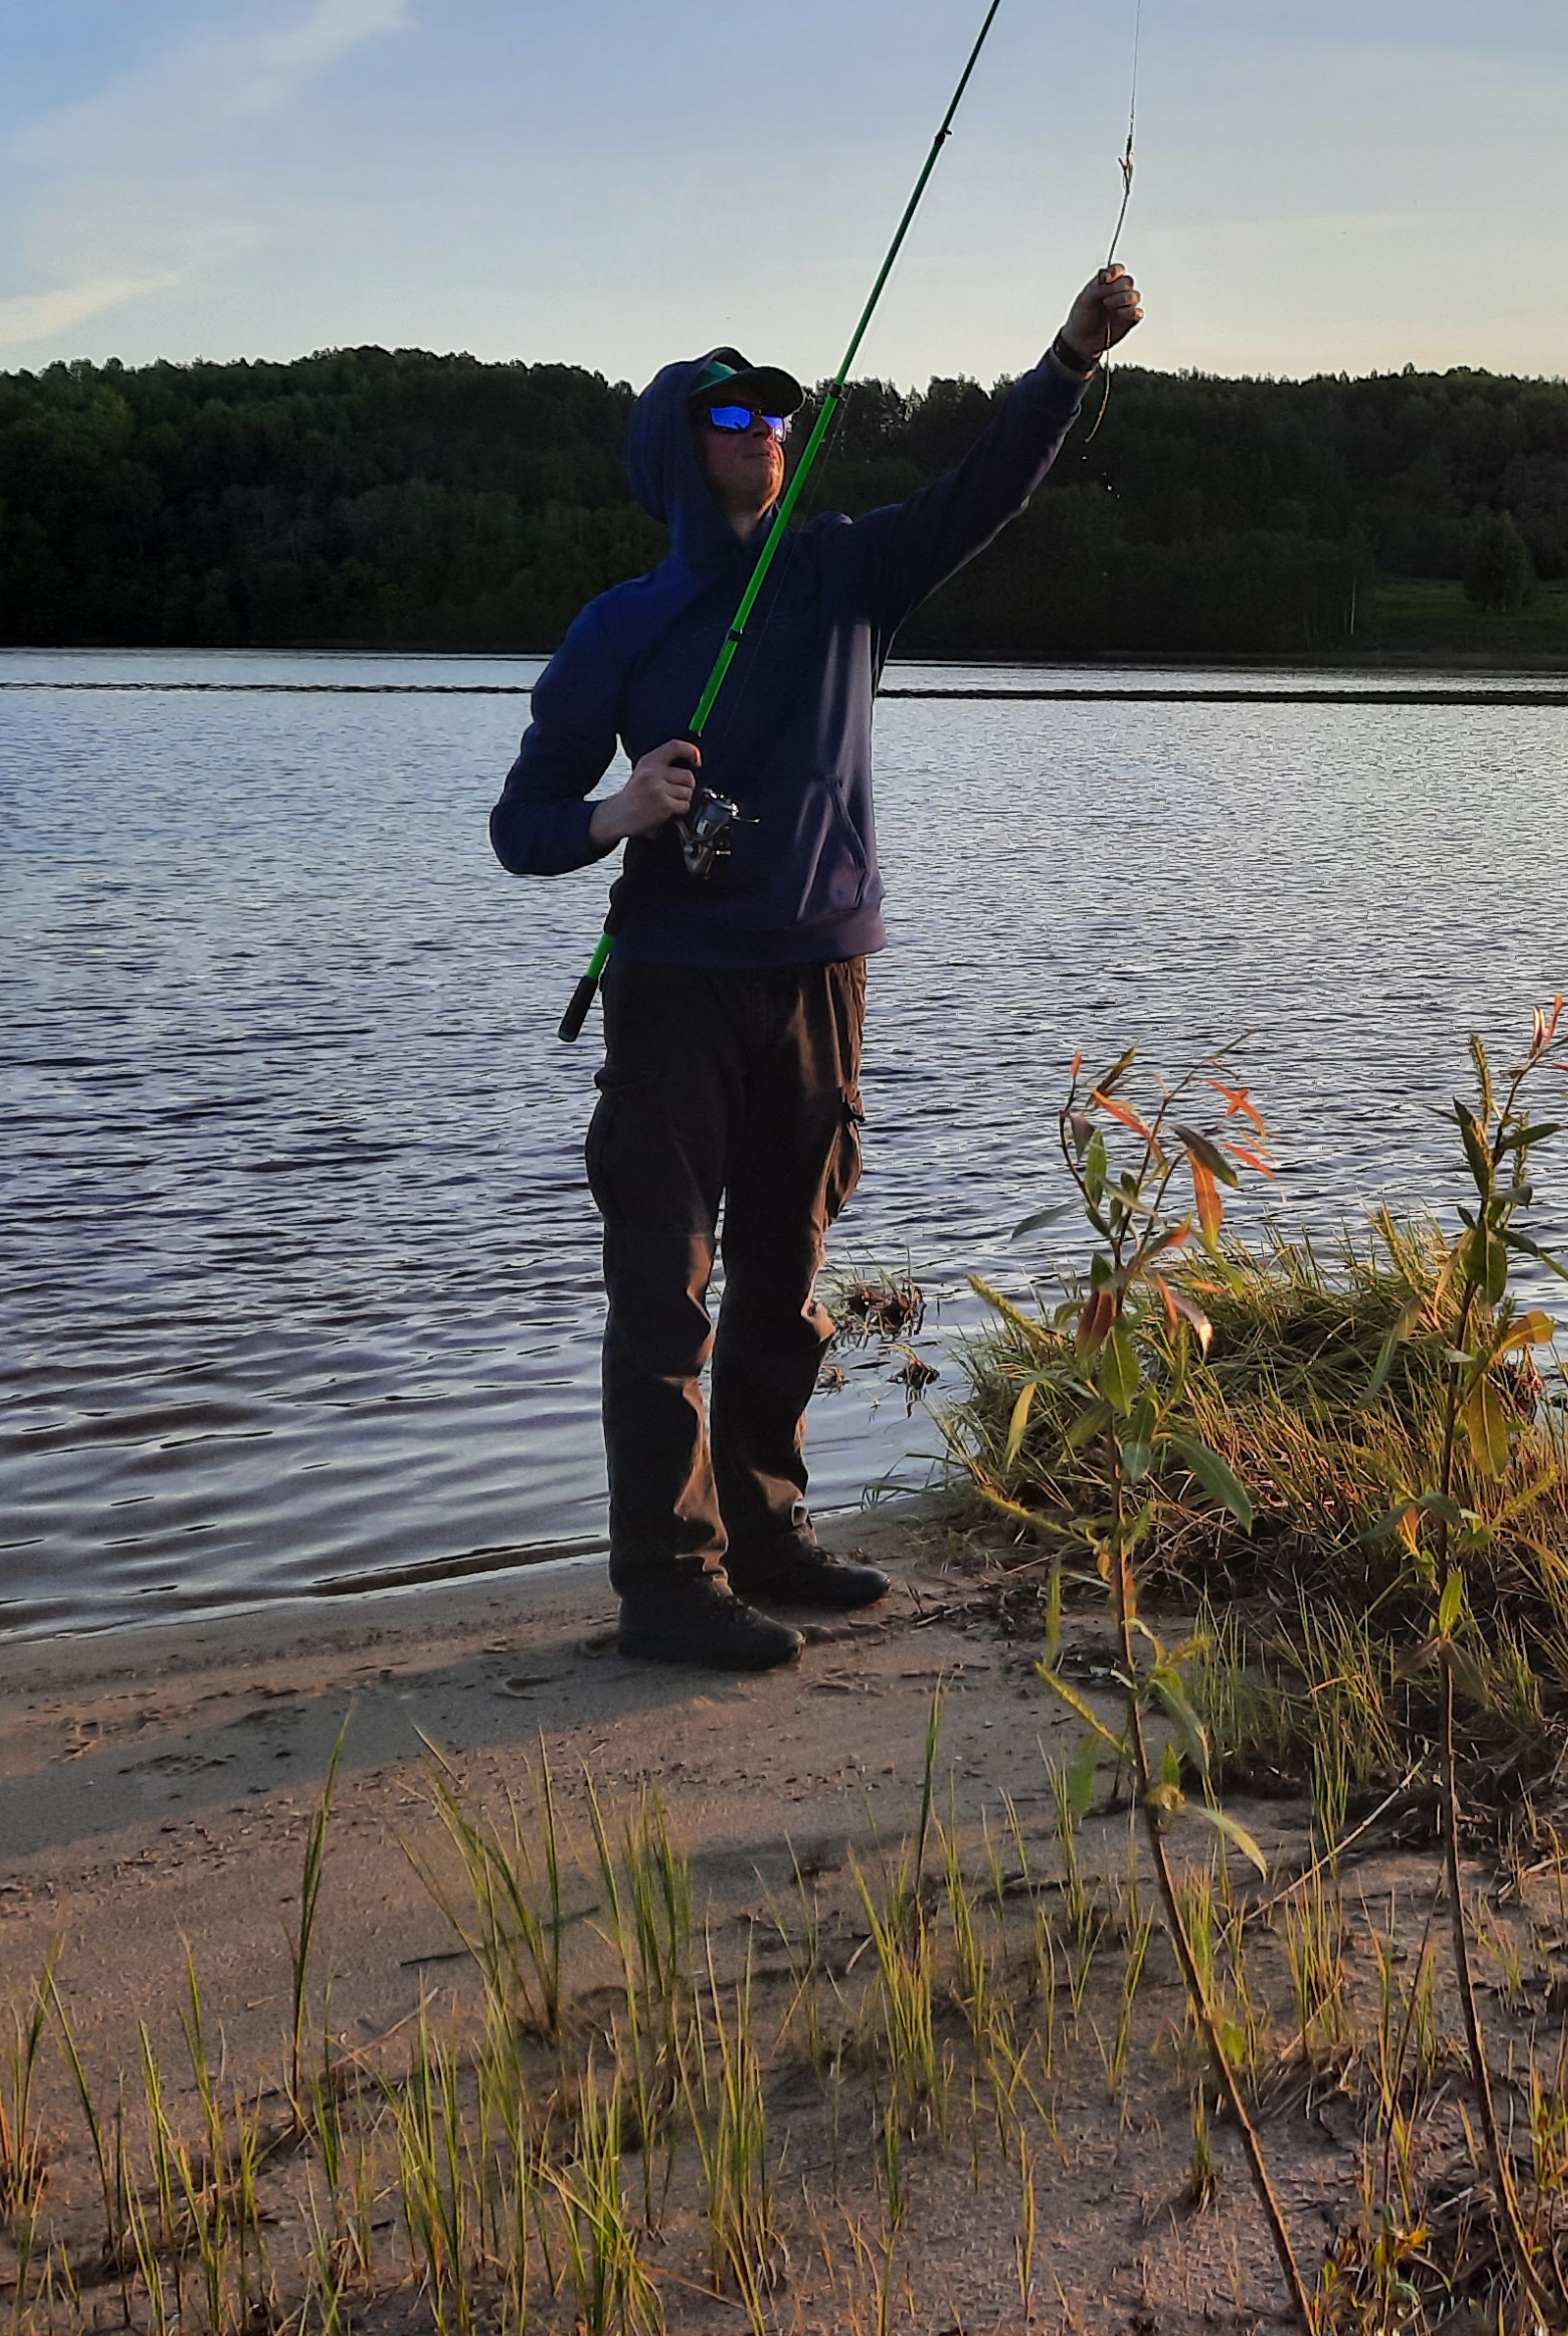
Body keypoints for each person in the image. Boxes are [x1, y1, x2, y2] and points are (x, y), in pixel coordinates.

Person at [490, 265, 1143, 1669]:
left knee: (787, 1276)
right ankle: (667, 1583)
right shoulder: (620, 627)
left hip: (822, 983)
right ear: (679, 446)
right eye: (733, 409)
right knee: (666, 1289)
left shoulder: (849, 570)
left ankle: (766, 1532)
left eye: (779, 407)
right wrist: (622, 811)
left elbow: (981, 495)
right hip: (672, 991)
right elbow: (522, 828)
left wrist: (1068, 363)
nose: (767, 424)